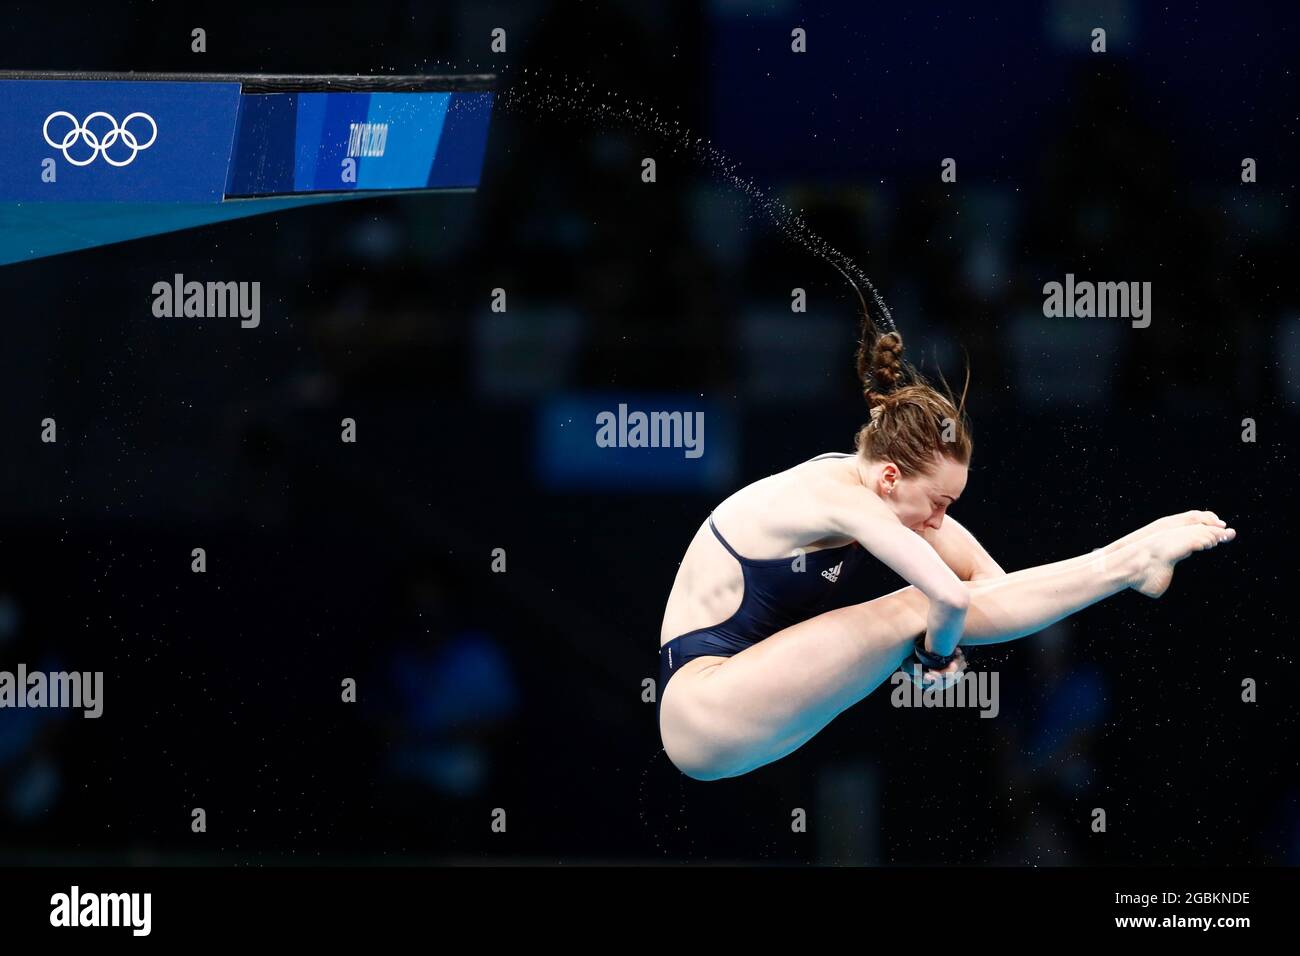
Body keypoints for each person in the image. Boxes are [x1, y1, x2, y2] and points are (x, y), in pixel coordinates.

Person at [656, 309, 1234, 781]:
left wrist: (944, 650)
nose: (940, 520)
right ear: (890, 478)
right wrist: (937, 651)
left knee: (921, 610)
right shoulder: (839, 498)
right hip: (704, 710)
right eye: (937, 503)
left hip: (747, 703)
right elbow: (951, 601)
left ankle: (1130, 558)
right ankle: (1128, 563)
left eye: (950, 505)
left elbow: (996, 589)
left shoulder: (879, 493)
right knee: (915, 604)